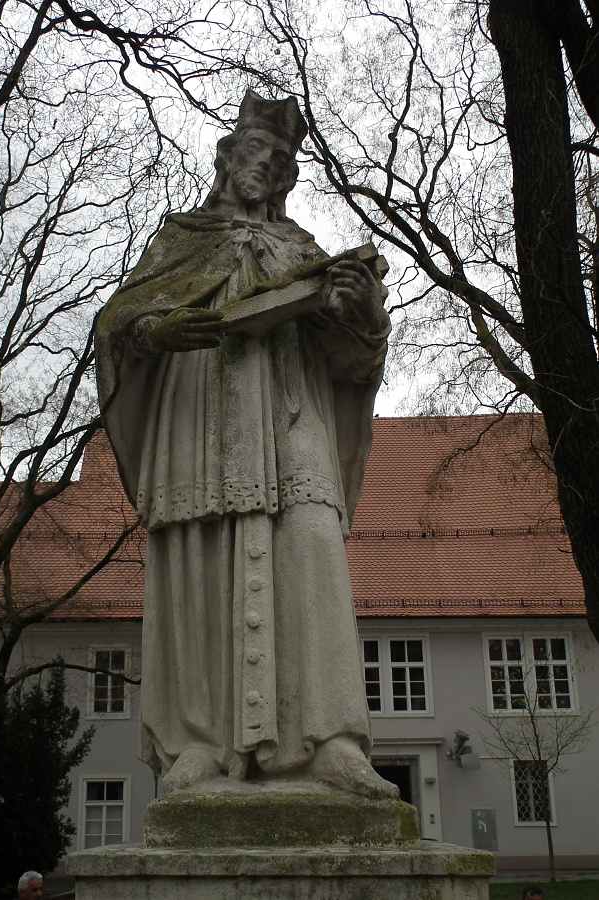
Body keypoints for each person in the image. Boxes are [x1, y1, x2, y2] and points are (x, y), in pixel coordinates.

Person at [96, 89, 394, 798]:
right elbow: (119, 324)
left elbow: (355, 365)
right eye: (259, 152)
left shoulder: (304, 252)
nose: (272, 168)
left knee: (312, 548)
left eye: (285, 161)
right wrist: (155, 331)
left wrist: (362, 314)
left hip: (293, 411)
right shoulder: (180, 239)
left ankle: (332, 744)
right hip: (197, 409)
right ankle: (197, 745)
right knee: (198, 560)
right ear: (227, 158)